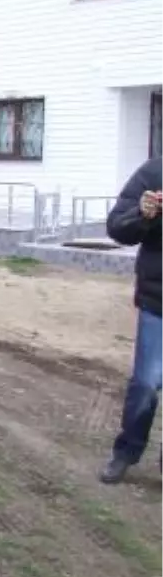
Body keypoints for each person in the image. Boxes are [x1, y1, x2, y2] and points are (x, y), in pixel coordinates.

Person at [100, 156, 163, 483]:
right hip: (158, 302)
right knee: (146, 384)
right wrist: (144, 214)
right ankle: (126, 451)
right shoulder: (154, 172)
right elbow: (117, 228)